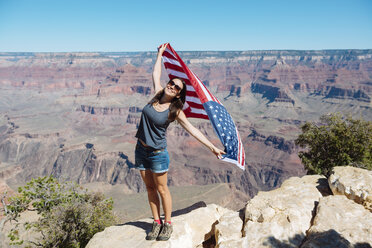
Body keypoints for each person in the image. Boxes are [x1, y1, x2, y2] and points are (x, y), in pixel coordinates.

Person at [134, 43, 226, 241]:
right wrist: (159, 54)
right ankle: (156, 223)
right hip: (140, 150)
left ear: (178, 94)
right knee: (149, 189)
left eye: (177, 87)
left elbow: (193, 130)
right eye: (172, 83)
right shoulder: (156, 94)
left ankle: (167, 223)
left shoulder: (175, 111)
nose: (172, 86)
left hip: (158, 154)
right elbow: (155, 74)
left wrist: (212, 148)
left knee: (161, 189)